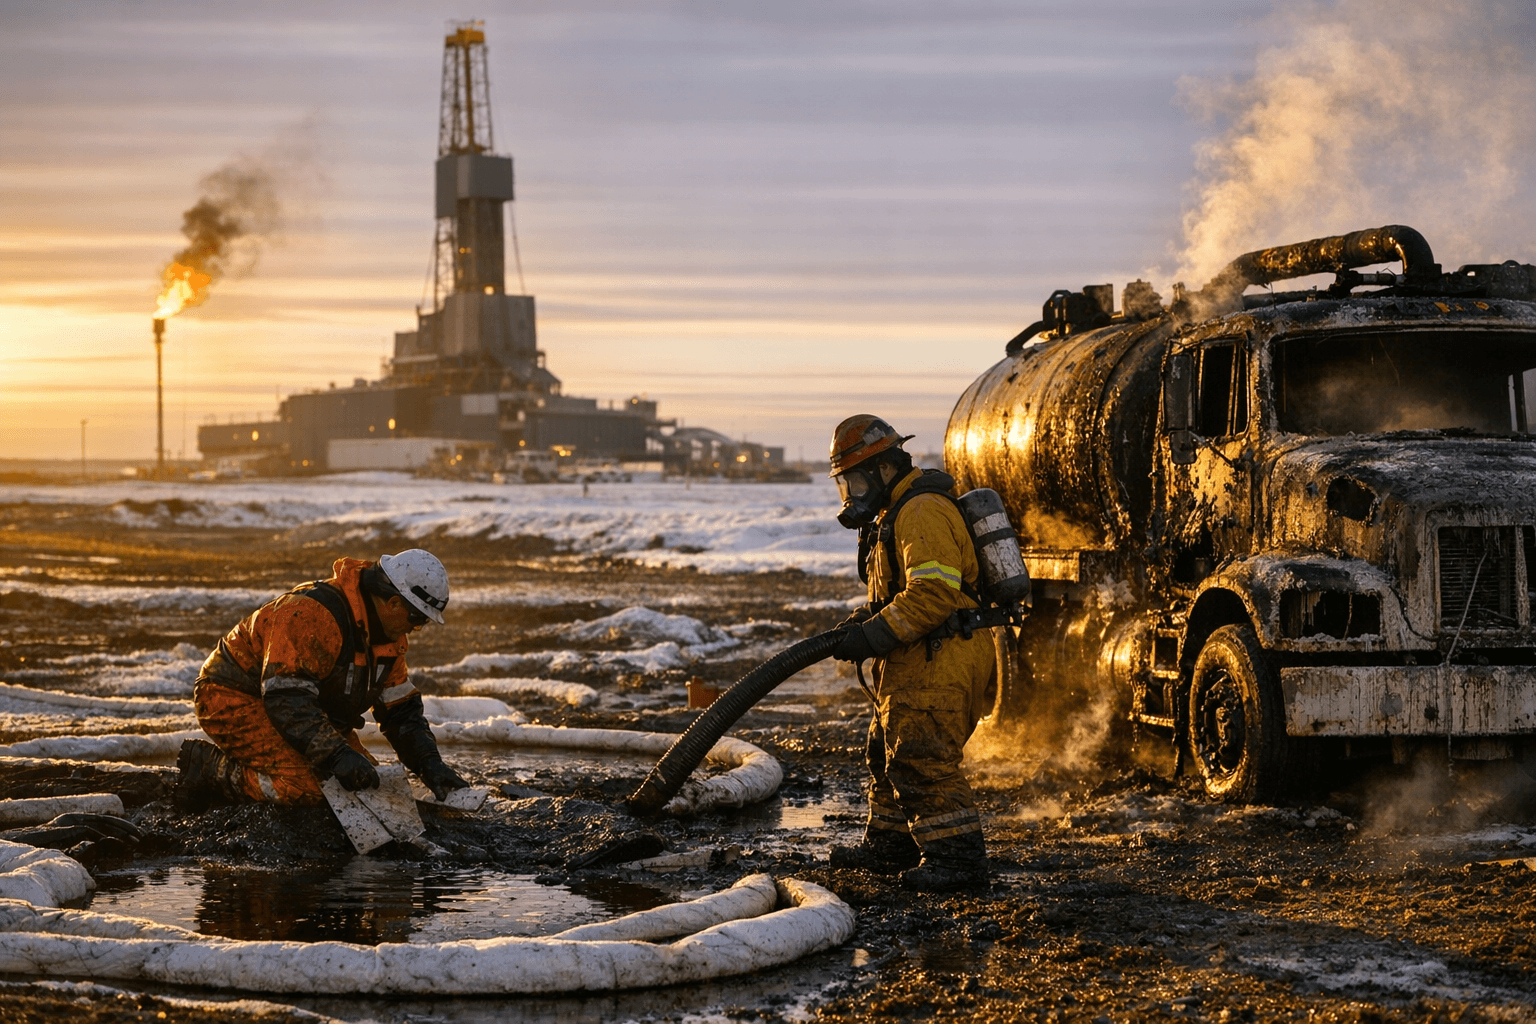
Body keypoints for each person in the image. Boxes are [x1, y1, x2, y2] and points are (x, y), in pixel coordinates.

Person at [825, 415, 996, 892]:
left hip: (942, 655)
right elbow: (902, 595)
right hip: (916, 655)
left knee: (922, 757)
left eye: (857, 479)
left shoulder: (921, 511)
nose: (852, 492)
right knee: (887, 753)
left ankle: (958, 862)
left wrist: (874, 636)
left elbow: (933, 594)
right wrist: (868, 622)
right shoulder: (896, 513)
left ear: (883, 469)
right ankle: (890, 845)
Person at [174, 549, 470, 811]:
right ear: (394, 603)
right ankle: (211, 770)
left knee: (367, 789)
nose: (415, 630)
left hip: (296, 706)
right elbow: (286, 699)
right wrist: (336, 754)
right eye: (417, 620)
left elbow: (400, 711)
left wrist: (429, 763)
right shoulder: (313, 615)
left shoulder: (386, 638)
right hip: (231, 695)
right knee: (310, 789)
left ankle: (262, 768)